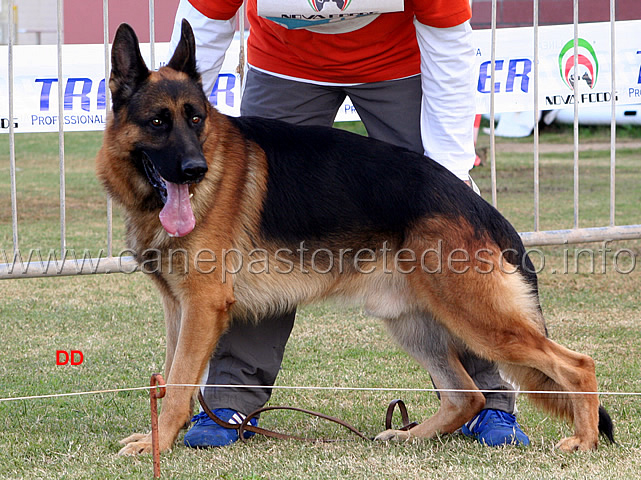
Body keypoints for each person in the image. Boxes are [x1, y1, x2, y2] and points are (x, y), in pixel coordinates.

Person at [168, 0, 529, 448]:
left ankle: (490, 401)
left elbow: (449, 38)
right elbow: (205, 23)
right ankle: (230, 399)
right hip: (285, 63)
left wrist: (450, 179)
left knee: (446, 234)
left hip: (399, 60)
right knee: (251, 239)